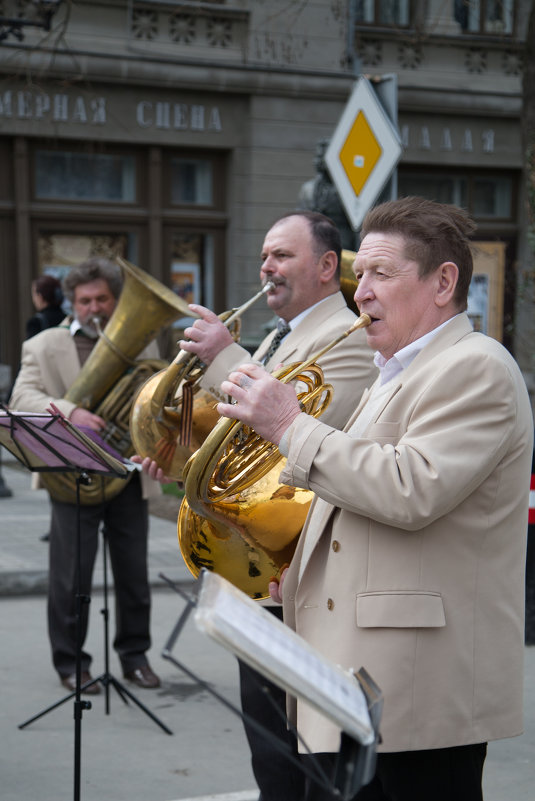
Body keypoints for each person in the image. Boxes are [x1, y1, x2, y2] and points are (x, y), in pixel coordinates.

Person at [214, 196, 533, 801]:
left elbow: (410, 488)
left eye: (382, 274)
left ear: (444, 282)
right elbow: (352, 500)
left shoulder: (477, 366)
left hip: (418, 692)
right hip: (358, 683)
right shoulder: (398, 368)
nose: (361, 292)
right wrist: (303, 570)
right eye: (362, 277)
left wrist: (287, 425)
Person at [142, 210, 377, 801]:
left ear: (327, 267)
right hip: (248, 565)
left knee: (297, 754)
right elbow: (236, 449)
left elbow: (291, 433)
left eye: (282, 256)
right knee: (268, 747)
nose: (266, 268)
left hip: (290, 567)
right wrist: (175, 458)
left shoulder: (344, 337)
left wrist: (224, 355)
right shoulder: (278, 335)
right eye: (265, 257)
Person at [10, 258, 161, 695]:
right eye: (84, 301)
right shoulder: (43, 344)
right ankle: (71, 663)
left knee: (134, 574)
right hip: (70, 476)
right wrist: (72, 411)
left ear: (115, 302)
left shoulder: (141, 344)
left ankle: (135, 657)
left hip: (127, 473)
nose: (93, 308)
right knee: (71, 577)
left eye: (101, 300)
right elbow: (22, 396)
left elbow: (149, 401)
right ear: (72, 303)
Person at [25, 274, 65, 339]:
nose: (33, 300)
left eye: (34, 294)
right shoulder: (67, 319)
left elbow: (32, 348)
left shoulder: (35, 323)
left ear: (40, 297)